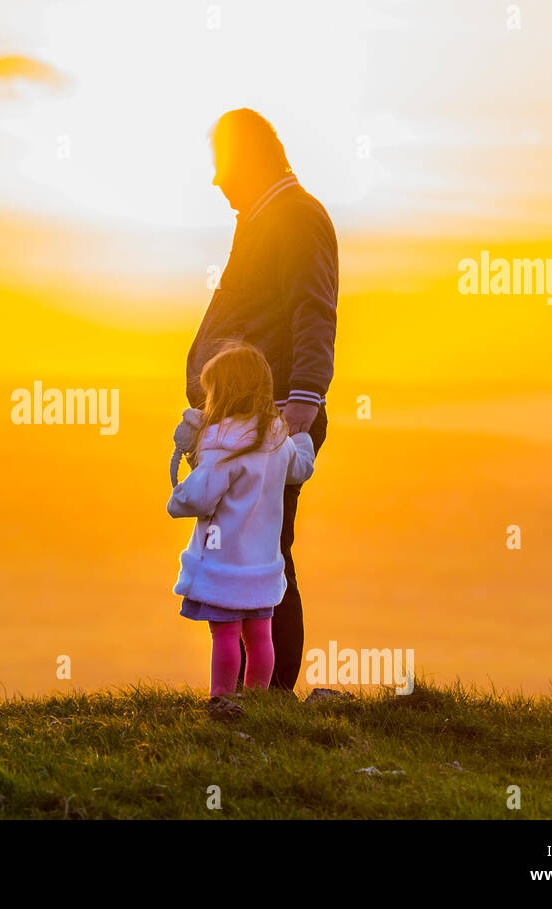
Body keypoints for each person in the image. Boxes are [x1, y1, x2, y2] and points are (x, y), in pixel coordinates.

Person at [179, 108, 338, 692]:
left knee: (266, 560)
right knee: (246, 557)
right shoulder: (265, 217)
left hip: (270, 423)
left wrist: (300, 408)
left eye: (222, 165)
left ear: (247, 159)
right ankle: (247, 696)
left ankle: (265, 699)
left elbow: (314, 315)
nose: (216, 181)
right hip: (243, 422)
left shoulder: (296, 217)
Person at [168, 343, 315, 717]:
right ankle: (259, 700)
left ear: (223, 392)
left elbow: (201, 497)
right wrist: (301, 438)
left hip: (226, 562)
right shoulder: (277, 438)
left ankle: (223, 700)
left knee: (226, 634)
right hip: (264, 562)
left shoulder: (221, 442)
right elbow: (300, 469)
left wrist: (179, 492)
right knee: (260, 635)